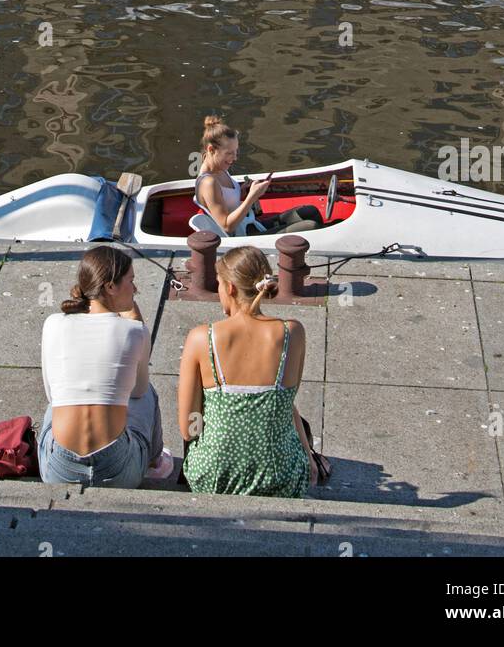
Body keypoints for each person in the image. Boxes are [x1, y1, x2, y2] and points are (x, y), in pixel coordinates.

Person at [178, 246, 317, 497]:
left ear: (230, 288)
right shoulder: (292, 333)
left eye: (219, 284)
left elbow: (189, 428)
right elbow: (288, 399)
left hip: (214, 476)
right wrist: (307, 455)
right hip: (280, 477)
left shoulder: (201, 338)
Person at [38, 245, 173, 487]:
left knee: (57, 400)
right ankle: (154, 462)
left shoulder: (53, 324)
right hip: (119, 472)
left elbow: (51, 394)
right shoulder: (134, 331)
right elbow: (138, 392)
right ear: (110, 287)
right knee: (147, 393)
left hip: (57, 471)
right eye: (131, 281)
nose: (136, 289)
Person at [193, 116, 322, 237]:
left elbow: (226, 200)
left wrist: (243, 192)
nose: (235, 158)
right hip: (246, 236)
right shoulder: (208, 183)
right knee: (311, 226)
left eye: (236, 151)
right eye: (229, 153)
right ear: (211, 150)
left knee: (311, 211)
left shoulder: (218, 166)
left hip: (250, 223)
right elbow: (227, 226)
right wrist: (251, 197)